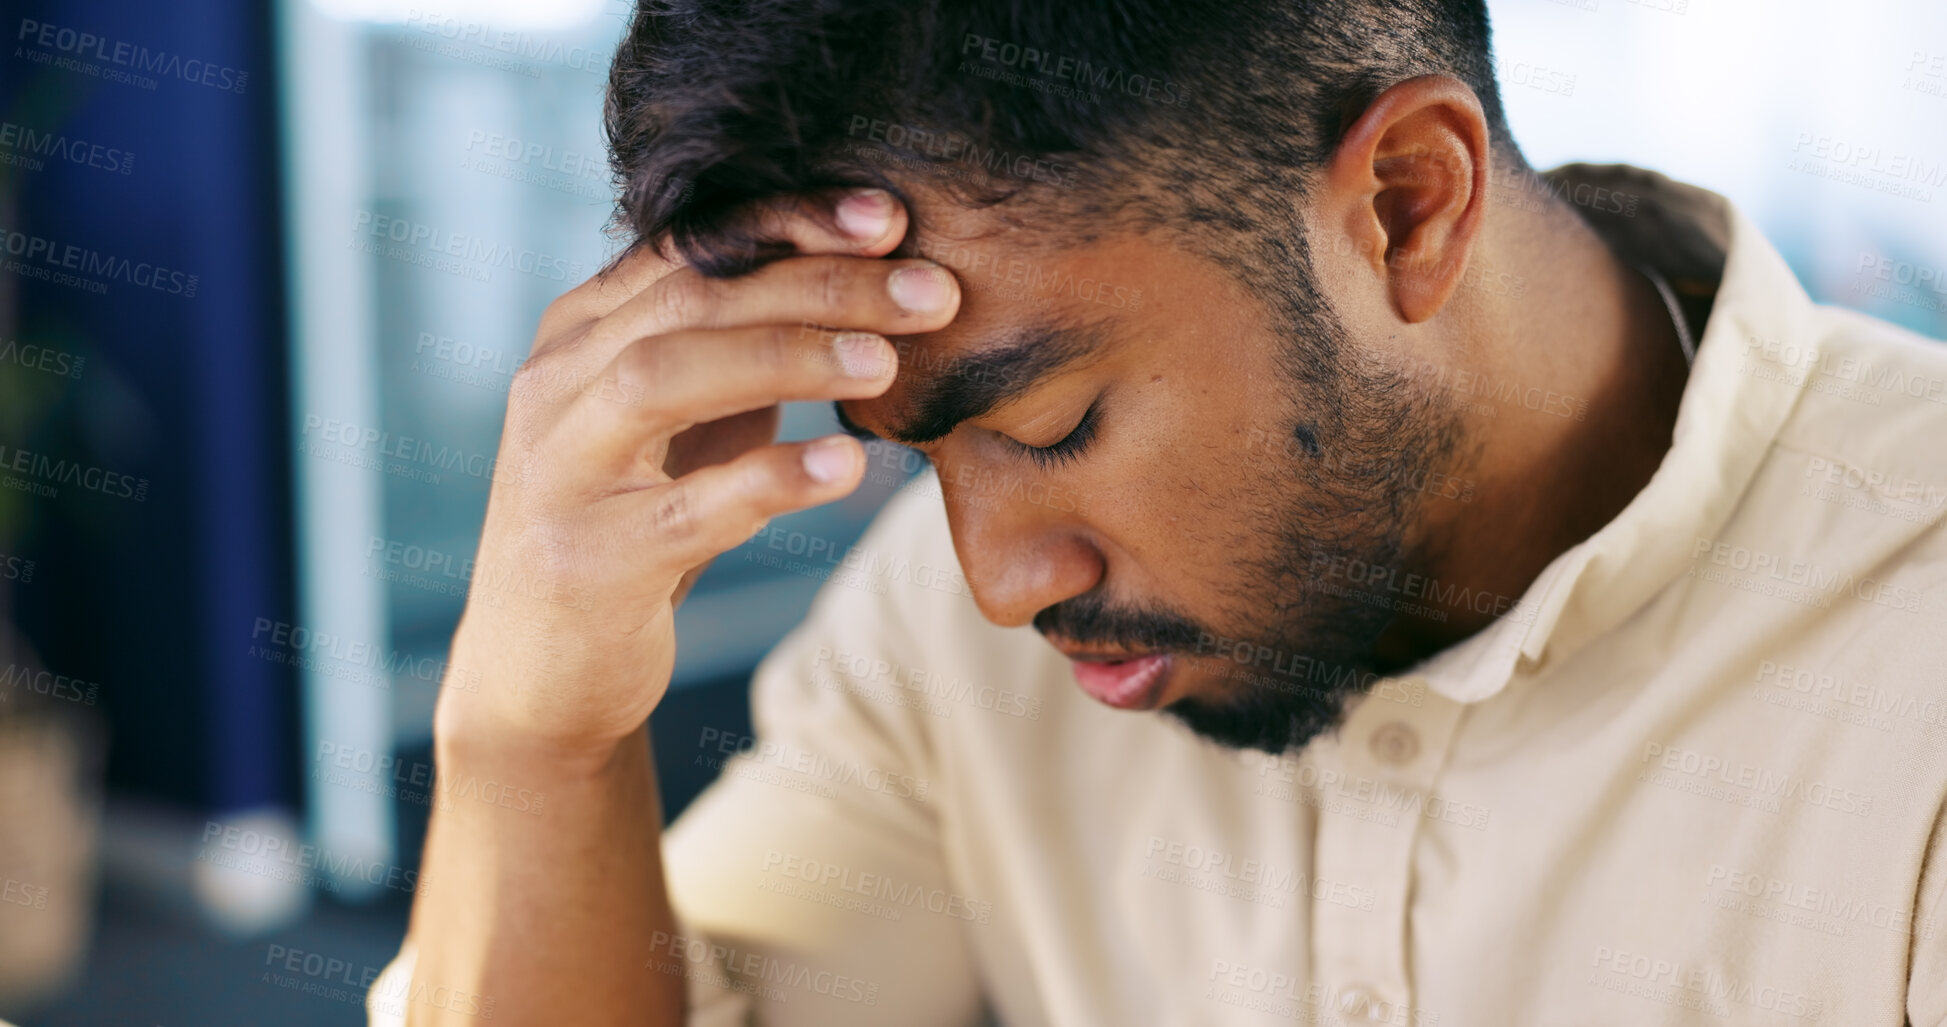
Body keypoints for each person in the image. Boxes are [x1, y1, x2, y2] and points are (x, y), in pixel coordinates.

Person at [373, 0, 1947, 1022]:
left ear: (1407, 204)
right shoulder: (948, 641)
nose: (995, 580)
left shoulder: (1910, 640)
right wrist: (535, 739)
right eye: (925, 457)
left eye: (1054, 425)